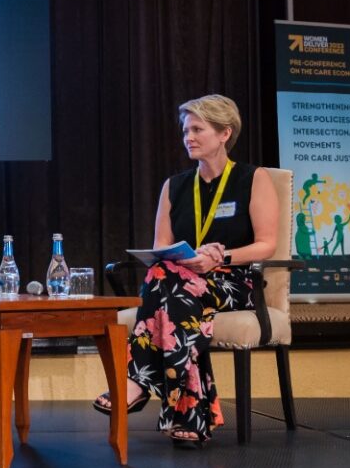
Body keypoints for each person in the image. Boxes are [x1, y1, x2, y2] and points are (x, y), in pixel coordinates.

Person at [93, 95, 280, 446]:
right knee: (167, 278)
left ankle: (138, 380)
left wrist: (220, 258)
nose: (188, 137)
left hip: (232, 279)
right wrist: (182, 260)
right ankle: (190, 417)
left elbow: (266, 244)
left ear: (225, 133)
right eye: (185, 130)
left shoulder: (253, 179)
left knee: (168, 287)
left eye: (197, 129)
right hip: (181, 280)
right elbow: (162, 244)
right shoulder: (174, 185)